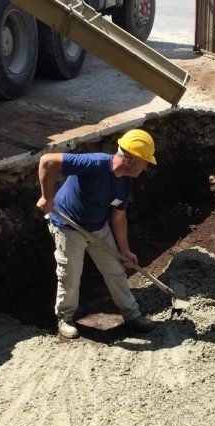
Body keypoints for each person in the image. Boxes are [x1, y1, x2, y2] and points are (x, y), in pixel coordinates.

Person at [36, 129, 158, 339]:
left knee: (115, 269)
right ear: (129, 160)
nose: (146, 167)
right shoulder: (94, 164)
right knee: (70, 274)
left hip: (97, 227)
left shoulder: (125, 183)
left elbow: (119, 218)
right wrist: (47, 197)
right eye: (144, 161)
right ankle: (64, 318)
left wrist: (125, 251)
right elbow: (48, 161)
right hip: (68, 225)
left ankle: (132, 315)